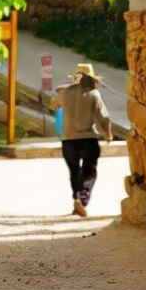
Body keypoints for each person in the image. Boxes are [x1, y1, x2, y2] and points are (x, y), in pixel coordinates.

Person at [52, 63, 113, 217]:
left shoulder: (65, 93)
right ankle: (82, 198)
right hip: (88, 139)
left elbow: (53, 105)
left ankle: (75, 200)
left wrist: (66, 90)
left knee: (74, 171)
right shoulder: (94, 94)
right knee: (89, 170)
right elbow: (103, 117)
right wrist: (108, 133)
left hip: (68, 139)